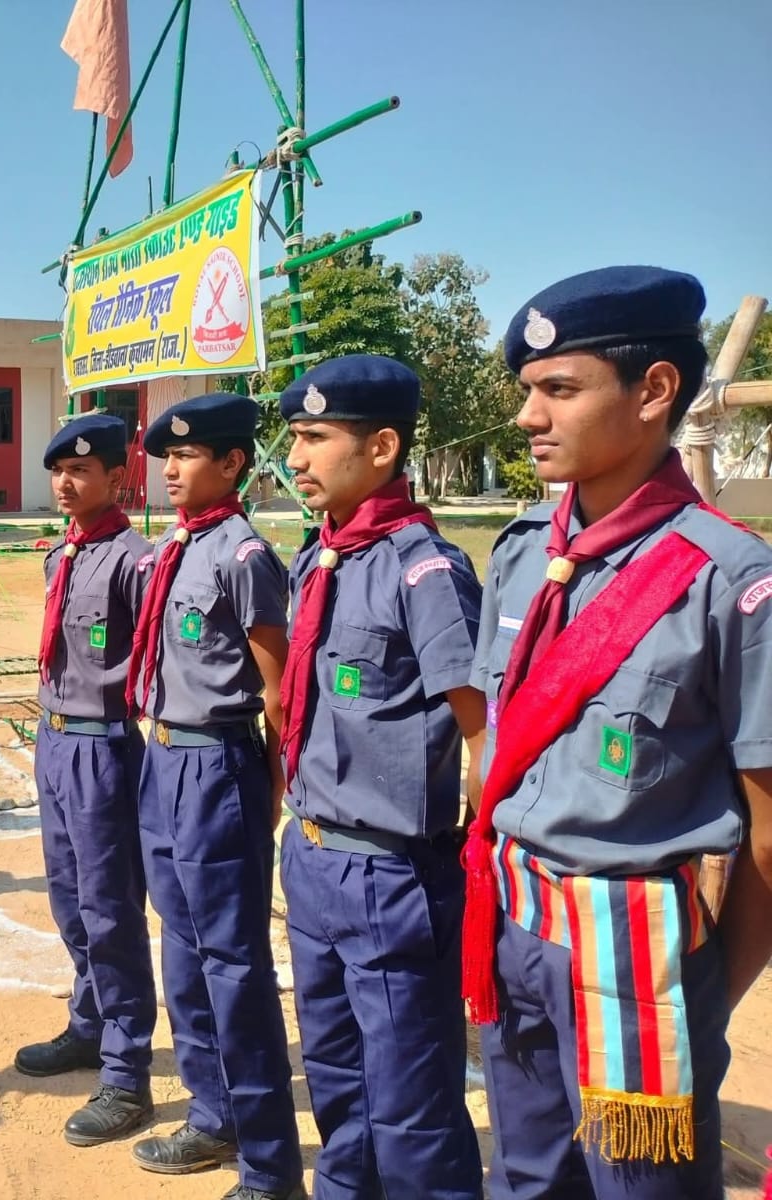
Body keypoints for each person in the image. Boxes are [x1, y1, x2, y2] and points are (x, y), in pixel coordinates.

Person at [465, 266, 772, 1198]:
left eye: (559, 389)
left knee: (641, 1188)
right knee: (529, 1175)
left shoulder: (728, 577)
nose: (529, 416)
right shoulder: (523, 551)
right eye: (529, 391)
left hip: (634, 954)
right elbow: (495, 749)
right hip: (515, 922)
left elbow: (770, 825)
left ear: (653, 392)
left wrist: (708, 988)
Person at [277, 355, 485, 1200]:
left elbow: (481, 727)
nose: (296, 459)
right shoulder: (317, 561)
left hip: (392, 872)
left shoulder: (423, 570)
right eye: (293, 438)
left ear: (382, 447)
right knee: (335, 1078)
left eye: (315, 438)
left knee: (410, 1100)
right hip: (317, 854)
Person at [125, 393, 304, 1200]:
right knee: (184, 951)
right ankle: (212, 1112)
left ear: (231, 464)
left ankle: (269, 1163)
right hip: (163, 761)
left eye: (188, 457)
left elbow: (278, 693)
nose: (170, 470)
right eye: (165, 457)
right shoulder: (178, 548)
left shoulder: (242, 556)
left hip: (219, 766)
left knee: (234, 965)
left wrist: (268, 793)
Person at [13, 412, 158, 1148]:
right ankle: (88, 1024)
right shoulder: (59, 556)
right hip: (54, 740)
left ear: (114, 477)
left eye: (81, 472)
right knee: (69, 900)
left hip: (103, 746)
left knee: (110, 910)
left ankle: (127, 1074)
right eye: (58, 472)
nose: (65, 484)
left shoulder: (138, 562)